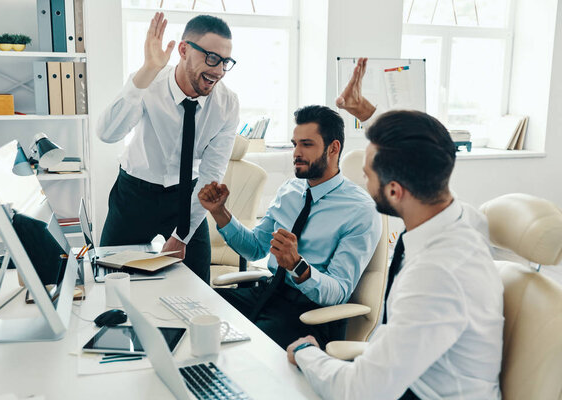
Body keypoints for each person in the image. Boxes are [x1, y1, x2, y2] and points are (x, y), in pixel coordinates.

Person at [286, 61, 504, 399]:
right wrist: (369, 114)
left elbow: (361, 391)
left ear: (394, 191)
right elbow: (429, 149)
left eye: (368, 175)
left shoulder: (435, 276)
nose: (363, 181)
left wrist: (306, 353)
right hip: (404, 377)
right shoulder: (463, 219)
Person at [198, 105, 382, 349]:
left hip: (307, 313)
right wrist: (220, 213)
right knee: (198, 311)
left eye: (306, 144)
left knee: (241, 348)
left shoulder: (360, 210)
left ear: (333, 148)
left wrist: (298, 266)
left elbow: (338, 291)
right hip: (267, 294)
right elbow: (255, 248)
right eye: (295, 143)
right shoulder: (290, 190)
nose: (296, 152)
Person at [96, 13, 239, 283]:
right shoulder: (149, 82)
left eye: (225, 62)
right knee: (110, 282)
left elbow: (211, 174)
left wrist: (181, 235)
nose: (218, 71)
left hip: (188, 198)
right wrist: (146, 72)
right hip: (134, 196)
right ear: (183, 50)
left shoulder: (227, 105)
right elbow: (107, 134)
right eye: (211, 58)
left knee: (198, 290)